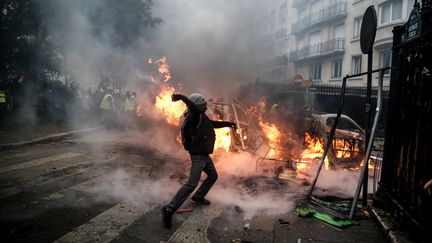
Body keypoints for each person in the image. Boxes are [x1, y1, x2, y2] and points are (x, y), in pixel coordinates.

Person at [161, 93, 236, 228]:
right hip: (198, 155)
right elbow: (193, 107)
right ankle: (169, 209)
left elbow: (212, 124)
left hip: (204, 155)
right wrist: (182, 98)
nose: (206, 104)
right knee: (191, 184)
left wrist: (229, 124)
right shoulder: (194, 116)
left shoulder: (201, 116)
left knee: (213, 176)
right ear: (198, 105)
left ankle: (198, 197)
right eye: (203, 103)